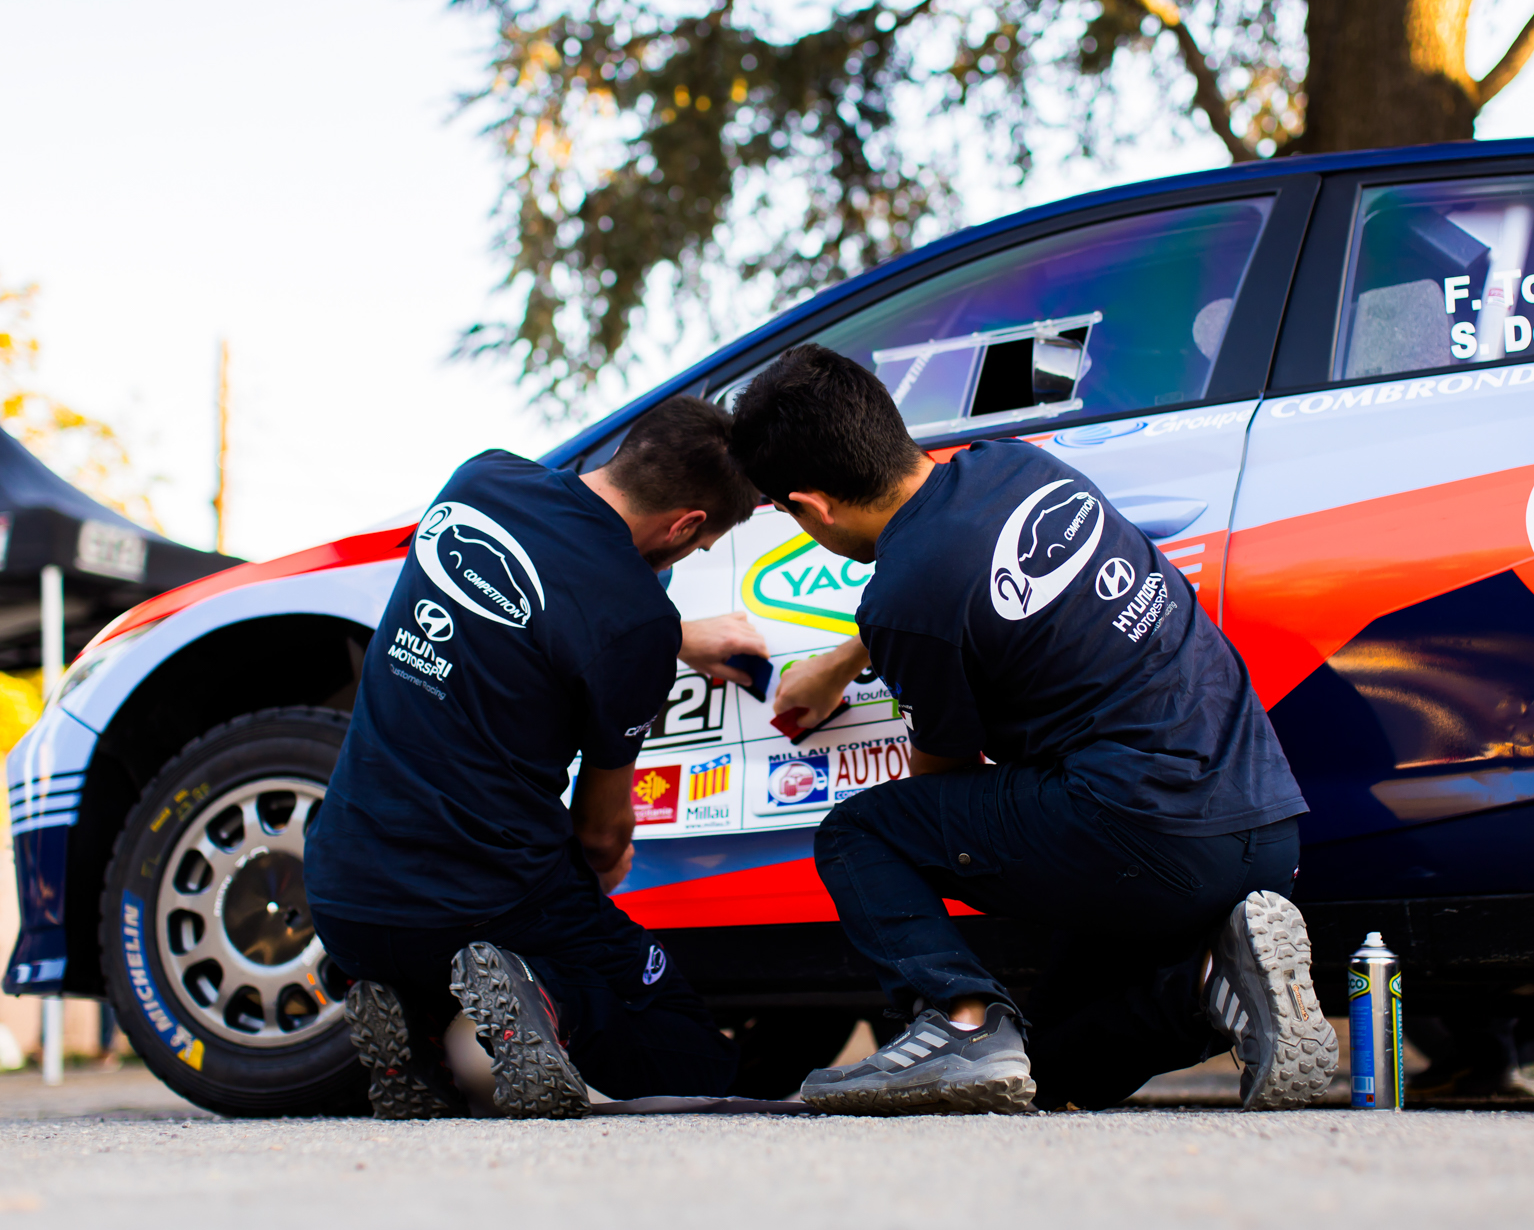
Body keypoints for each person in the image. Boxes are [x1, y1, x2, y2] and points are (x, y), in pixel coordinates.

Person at [728, 344, 1337, 1114]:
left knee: (862, 835)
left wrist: (882, 651)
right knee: (1042, 1070)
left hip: (1149, 833)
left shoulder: (903, 600)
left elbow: (941, 786)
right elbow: (957, 585)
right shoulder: (1018, 466)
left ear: (811, 506)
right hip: (1262, 825)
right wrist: (851, 657)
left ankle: (958, 1021)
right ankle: (1211, 986)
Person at [304, 396, 763, 1120]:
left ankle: (411, 1021)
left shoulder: (480, 480)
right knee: (684, 1039)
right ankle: (549, 996)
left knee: (431, 946)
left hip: (343, 893)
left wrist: (675, 639)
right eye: (697, 547)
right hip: (479, 899)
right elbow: (600, 834)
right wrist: (603, 868)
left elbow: (540, 597)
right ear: (685, 526)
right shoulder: (640, 621)